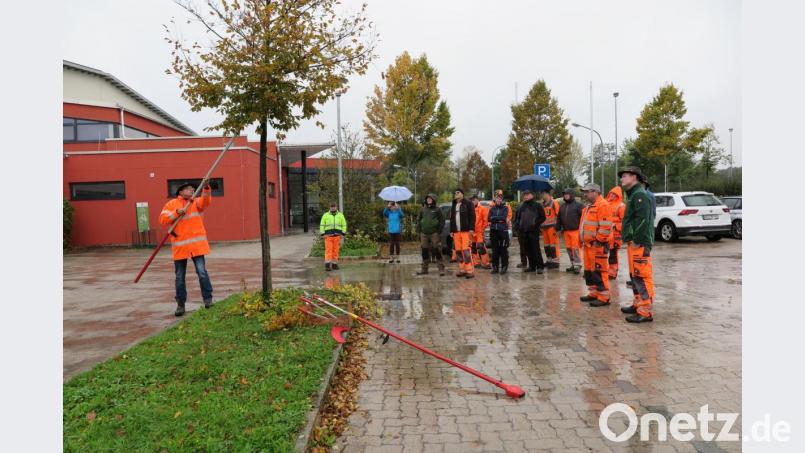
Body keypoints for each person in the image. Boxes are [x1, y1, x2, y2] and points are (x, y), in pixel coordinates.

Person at [159, 182, 214, 317]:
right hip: (180, 247)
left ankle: (208, 300)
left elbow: (206, 201)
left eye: (193, 189)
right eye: (189, 189)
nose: (192, 190)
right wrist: (177, 213)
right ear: (181, 191)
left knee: (202, 272)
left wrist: (206, 188)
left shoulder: (195, 202)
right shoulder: (171, 204)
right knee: (179, 277)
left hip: (197, 246)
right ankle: (180, 304)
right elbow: (163, 219)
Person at [618, 166, 656, 323]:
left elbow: (643, 220)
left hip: (639, 243)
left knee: (642, 275)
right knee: (634, 275)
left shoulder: (640, 195)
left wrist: (636, 239)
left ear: (634, 177)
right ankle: (637, 303)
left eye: (625, 176)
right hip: (634, 242)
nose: (622, 179)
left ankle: (645, 310)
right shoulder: (633, 194)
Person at [579, 183, 612, 307]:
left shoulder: (602, 205)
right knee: (589, 271)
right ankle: (594, 293)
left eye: (587, 192)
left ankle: (604, 297)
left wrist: (598, 240)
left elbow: (605, 226)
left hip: (597, 245)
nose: (585, 194)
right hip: (589, 245)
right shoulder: (590, 206)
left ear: (595, 192)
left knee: (599, 270)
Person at [516, 190, 546, 273]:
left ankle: (540, 266)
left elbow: (543, 217)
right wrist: (518, 225)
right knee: (527, 249)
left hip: (533, 231)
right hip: (524, 231)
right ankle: (532, 266)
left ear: (532, 195)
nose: (525, 196)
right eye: (524, 195)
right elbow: (518, 217)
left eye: (527, 194)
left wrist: (535, 224)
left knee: (535, 249)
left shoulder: (537, 205)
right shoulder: (522, 206)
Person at [416, 193, 446, 276]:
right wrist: (419, 231)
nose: (428, 200)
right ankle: (424, 269)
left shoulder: (437, 209)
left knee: (437, 250)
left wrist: (438, 231)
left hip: (434, 234)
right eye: (427, 199)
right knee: (424, 251)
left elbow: (442, 221)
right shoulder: (422, 209)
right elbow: (418, 220)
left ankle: (441, 269)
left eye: (430, 198)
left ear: (434, 200)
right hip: (424, 234)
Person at [449, 188, 476, 278]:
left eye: (458, 192)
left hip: (466, 231)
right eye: (455, 193)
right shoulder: (454, 204)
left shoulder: (468, 203)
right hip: (456, 232)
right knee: (458, 252)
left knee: (466, 251)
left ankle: (470, 271)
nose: (456, 194)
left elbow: (472, 217)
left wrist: (471, 229)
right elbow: (452, 218)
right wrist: (451, 230)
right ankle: (462, 269)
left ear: (462, 194)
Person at [557, 187, 583, 274]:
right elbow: (559, 218)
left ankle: (578, 265)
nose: (565, 196)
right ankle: (573, 264)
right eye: (564, 194)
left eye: (567, 194)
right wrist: (558, 228)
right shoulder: (562, 206)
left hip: (575, 231)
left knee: (575, 249)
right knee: (569, 249)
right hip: (566, 231)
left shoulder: (578, 205)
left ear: (571, 195)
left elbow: (583, 218)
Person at [606, 186, 626, 280]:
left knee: (613, 255)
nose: (612, 195)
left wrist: (616, 226)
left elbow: (625, 222)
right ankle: (607, 271)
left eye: (614, 194)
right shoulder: (606, 204)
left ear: (618, 195)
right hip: (606, 234)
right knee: (604, 254)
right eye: (611, 193)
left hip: (616, 235)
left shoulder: (621, 206)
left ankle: (612, 273)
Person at [319, 202, 347, 272]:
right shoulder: (325, 215)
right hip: (328, 236)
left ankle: (334, 265)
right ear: (330, 207)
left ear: (336, 207)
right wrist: (323, 234)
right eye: (332, 207)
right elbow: (322, 225)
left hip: (337, 236)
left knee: (336, 251)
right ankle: (327, 265)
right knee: (328, 251)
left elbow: (344, 225)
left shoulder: (340, 215)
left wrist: (343, 234)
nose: (333, 208)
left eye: (334, 206)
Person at [487, 193, 511, 274]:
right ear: (495, 200)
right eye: (497, 198)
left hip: (503, 231)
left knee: (503, 249)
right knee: (495, 250)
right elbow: (489, 218)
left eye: (500, 198)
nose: (498, 200)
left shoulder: (505, 208)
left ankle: (504, 266)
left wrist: (494, 218)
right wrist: (496, 219)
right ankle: (495, 267)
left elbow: (503, 218)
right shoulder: (492, 209)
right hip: (494, 231)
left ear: (502, 199)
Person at [541, 190, 561, 269]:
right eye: (542, 194)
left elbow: (558, 215)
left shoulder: (554, 202)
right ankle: (549, 260)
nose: (542, 195)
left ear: (548, 194)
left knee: (553, 244)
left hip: (552, 227)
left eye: (543, 193)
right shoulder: (543, 204)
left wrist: (558, 227)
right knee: (546, 245)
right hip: (544, 227)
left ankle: (555, 261)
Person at [470, 195, 491, 269]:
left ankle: (486, 263)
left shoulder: (483, 209)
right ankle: (476, 263)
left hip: (479, 232)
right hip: (472, 232)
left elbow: (485, 221)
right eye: (471, 200)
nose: (472, 202)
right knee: (473, 248)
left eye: (473, 200)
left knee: (481, 247)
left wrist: (482, 230)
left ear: (477, 200)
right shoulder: (470, 209)